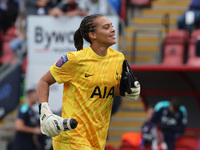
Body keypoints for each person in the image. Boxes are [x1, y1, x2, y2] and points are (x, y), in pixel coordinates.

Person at [37, 14, 141, 150]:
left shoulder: (118, 59)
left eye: (112, 26)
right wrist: (44, 111)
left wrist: (125, 91)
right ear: (92, 34)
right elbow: (43, 81)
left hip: (97, 138)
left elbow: (106, 86)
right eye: (106, 27)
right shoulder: (74, 60)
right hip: (72, 136)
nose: (113, 30)